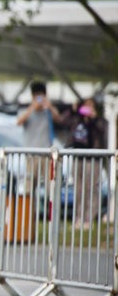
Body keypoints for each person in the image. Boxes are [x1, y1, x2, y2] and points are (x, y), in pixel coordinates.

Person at [68, 98, 107, 229]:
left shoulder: (99, 121)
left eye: (91, 105)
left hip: (93, 158)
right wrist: (73, 111)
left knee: (91, 188)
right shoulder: (77, 119)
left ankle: (89, 218)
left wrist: (94, 118)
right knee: (79, 189)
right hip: (78, 157)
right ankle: (79, 217)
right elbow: (63, 121)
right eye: (86, 105)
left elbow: (103, 130)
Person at [16, 80, 61, 193]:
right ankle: (30, 210)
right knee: (29, 186)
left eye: (41, 96)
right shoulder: (26, 110)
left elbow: (59, 119)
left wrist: (49, 106)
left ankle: (49, 209)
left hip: (47, 153)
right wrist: (32, 108)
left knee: (50, 185)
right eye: (37, 96)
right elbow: (19, 122)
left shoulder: (48, 112)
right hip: (31, 154)